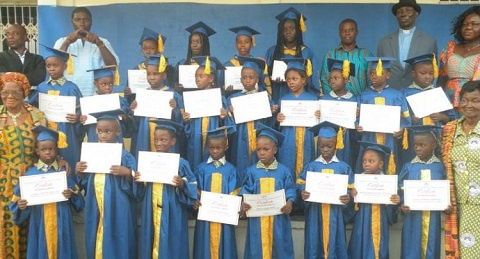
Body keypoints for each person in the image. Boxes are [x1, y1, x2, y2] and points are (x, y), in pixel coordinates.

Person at [9, 125, 84, 259]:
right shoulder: (29, 175)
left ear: (56, 150)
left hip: (61, 220)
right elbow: (17, 204)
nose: (48, 152)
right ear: (37, 151)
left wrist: (70, 195)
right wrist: (21, 206)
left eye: (51, 149)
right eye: (44, 149)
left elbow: (78, 201)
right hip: (39, 220)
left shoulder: (62, 173)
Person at [75, 109, 138, 259]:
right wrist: (80, 171)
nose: (102, 135)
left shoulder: (125, 156)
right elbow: (84, 182)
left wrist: (128, 173)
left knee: (118, 233)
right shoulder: (90, 153)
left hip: (117, 203)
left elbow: (138, 184)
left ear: (117, 132)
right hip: (95, 201)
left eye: (108, 131)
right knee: (95, 232)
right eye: (100, 131)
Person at [134, 120, 197, 259]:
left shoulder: (181, 163)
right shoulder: (148, 161)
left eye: (163, 139)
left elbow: (192, 185)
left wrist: (181, 183)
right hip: (151, 208)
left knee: (172, 240)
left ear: (173, 141)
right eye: (156, 139)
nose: (159, 143)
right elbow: (140, 192)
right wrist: (139, 179)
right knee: (151, 238)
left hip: (172, 209)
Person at [0, 72, 47, 258]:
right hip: (3, 182)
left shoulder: (36, 115)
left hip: (30, 179)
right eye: (4, 92)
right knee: (6, 223)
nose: (9, 97)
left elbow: (47, 145)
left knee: (32, 224)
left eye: (15, 93)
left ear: (24, 93)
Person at [297, 121, 353, 259]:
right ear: (317, 145)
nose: (325, 149)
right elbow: (300, 183)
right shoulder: (311, 166)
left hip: (336, 213)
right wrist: (303, 192)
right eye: (321, 146)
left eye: (329, 146)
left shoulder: (343, 167)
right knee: (314, 240)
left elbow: (351, 189)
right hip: (315, 213)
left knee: (336, 239)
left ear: (336, 145)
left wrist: (348, 197)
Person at [240, 124, 296, 259]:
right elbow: (246, 190)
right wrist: (244, 202)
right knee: (257, 248)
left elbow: (290, 190)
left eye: (266, 149)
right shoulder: (252, 171)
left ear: (275, 149)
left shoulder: (283, 171)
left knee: (279, 247)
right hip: (257, 220)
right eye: (258, 149)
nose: (262, 152)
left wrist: (290, 202)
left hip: (278, 219)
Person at [442, 81, 480, 258]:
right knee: (462, 251)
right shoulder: (450, 129)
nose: (469, 105)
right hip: (459, 205)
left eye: (475, 100)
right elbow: (444, 166)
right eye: (465, 100)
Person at [29, 45, 83, 170]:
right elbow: (31, 106)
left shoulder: (72, 88)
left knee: (69, 159)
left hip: (67, 131)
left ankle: (71, 187)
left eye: (56, 65)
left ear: (65, 66)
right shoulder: (42, 87)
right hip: (47, 130)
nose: (52, 69)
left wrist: (78, 116)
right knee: (48, 159)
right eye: (49, 66)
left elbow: (82, 110)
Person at [398, 125, 447, 259]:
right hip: (412, 217)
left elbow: (446, 191)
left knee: (431, 244)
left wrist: (446, 204)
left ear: (433, 145)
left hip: (433, 216)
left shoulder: (440, 167)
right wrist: (402, 204)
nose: (417, 148)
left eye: (422, 145)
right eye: (415, 145)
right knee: (411, 247)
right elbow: (400, 188)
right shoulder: (408, 167)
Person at [356, 57, 411, 174]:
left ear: (388, 75)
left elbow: (406, 119)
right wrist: (358, 126)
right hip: (369, 138)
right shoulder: (364, 96)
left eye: (378, 73)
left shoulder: (396, 95)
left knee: (389, 164)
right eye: (371, 73)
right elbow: (357, 118)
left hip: (389, 139)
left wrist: (402, 129)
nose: (373, 76)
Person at [348, 142, 401, 259]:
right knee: (360, 243)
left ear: (381, 163)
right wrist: (353, 195)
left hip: (381, 218)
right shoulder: (358, 181)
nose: (366, 164)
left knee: (379, 246)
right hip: (363, 219)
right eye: (364, 161)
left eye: (371, 161)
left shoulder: (387, 182)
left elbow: (392, 208)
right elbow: (351, 208)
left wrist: (395, 200)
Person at [193, 126, 239, 259]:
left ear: (226, 147)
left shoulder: (231, 170)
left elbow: (234, 193)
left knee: (225, 243)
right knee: (204, 244)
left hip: (224, 217)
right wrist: (195, 200)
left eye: (218, 148)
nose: (214, 151)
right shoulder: (201, 168)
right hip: (205, 217)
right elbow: (197, 190)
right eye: (211, 148)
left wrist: (232, 206)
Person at [228, 56, 276, 180]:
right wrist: (230, 113)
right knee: (239, 163)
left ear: (257, 79)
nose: (247, 80)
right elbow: (228, 125)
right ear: (240, 79)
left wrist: (272, 112)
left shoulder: (264, 98)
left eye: (251, 77)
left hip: (258, 138)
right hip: (240, 138)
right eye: (244, 78)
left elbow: (270, 124)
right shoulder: (233, 98)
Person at [402, 53, 456, 162]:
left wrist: (442, 117)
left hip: (436, 137)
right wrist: (410, 120)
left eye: (431, 73)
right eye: (423, 73)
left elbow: (453, 118)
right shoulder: (405, 93)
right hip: (414, 137)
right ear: (413, 73)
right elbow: (398, 116)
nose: (427, 76)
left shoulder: (438, 93)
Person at [54, 7, 119, 97]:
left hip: (95, 95)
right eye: (77, 20)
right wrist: (67, 42)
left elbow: (113, 66)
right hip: (69, 94)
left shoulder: (102, 42)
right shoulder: (62, 41)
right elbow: (54, 64)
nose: (81, 24)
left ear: (91, 22)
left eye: (85, 20)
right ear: (72, 22)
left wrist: (99, 44)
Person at [130, 55, 184, 158]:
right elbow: (136, 123)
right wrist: (133, 111)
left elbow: (180, 124)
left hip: (166, 141)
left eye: (156, 74)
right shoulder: (142, 95)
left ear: (164, 75)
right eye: (148, 74)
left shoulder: (173, 95)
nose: (151, 77)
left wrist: (174, 109)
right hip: (145, 136)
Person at [182, 56, 231, 169]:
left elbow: (227, 125)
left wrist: (223, 117)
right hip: (196, 139)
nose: (197, 79)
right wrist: (186, 120)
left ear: (211, 79)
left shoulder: (220, 98)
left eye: (201, 76)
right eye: (195, 76)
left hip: (213, 140)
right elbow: (187, 130)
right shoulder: (191, 99)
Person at [377, 0, 437, 89]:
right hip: (391, 94)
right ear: (396, 16)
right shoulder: (384, 42)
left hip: (417, 94)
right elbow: (379, 70)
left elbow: (433, 70)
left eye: (408, 11)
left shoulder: (429, 42)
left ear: (416, 13)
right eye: (400, 12)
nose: (403, 14)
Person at [276, 58, 319, 182]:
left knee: (307, 164)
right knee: (287, 164)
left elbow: (317, 128)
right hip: (288, 138)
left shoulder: (313, 100)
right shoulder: (283, 100)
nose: (291, 82)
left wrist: (318, 116)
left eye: (295, 79)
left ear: (304, 80)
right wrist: (278, 119)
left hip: (307, 138)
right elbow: (278, 127)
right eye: (288, 79)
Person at [265, 7, 320, 103]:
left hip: (302, 99)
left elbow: (313, 80)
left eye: (292, 28)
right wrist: (272, 79)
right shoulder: (272, 52)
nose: (288, 31)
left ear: (298, 30)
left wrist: (304, 80)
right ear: (280, 32)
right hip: (278, 95)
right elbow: (264, 77)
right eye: (284, 29)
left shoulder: (307, 52)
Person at [438, 6, 480, 110]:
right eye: (465, 24)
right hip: (449, 104)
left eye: (475, 24)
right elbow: (441, 80)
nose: (468, 27)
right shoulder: (449, 50)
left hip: (474, 104)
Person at [80, 66, 133, 143]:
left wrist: (125, 118)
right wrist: (82, 120)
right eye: (104, 84)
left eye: (111, 84)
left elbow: (127, 126)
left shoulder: (120, 101)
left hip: (115, 139)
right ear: (95, 84)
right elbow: (83, 128)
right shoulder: (89, 103)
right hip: (94, 138)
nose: (108, 87)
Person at [320, 19, 373, 96]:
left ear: (356, 32)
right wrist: (333, 99)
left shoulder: (366, 54)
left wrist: (364, 100)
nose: (347, 33)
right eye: (343, 31)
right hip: (336, 104)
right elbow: (325, 80)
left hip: (360, 102)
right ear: (339, 33)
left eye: (351, 30)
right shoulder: (330, 55)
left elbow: (371, 80)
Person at [322, 58, 359, 167]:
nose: (332, 81)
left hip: (347, 141)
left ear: (346, 79)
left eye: (336, 78)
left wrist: (357, 117)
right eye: (331, 78)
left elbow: (358, 125)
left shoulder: (354, 100)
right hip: (327, 141)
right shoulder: (324, 100)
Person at [123, 27, 168, 102]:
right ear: (141, 51)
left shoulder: (165, 69)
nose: (148, 51)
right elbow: (128, 100)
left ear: (158, 49)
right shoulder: (135, 71)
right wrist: (128, 93)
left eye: (152, 48)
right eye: (145, 48)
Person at [223, 26, 271, 97]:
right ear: (235, 45)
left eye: (246, 42)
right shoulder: (227, 66)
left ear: (252, 44)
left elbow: (265, 88)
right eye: (239, 42)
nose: (242, 45)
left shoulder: (258, 64)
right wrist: (225, 91)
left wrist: (256, 88)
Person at [0, 24, 46, 90]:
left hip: (33, 98)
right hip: (9, 97)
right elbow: (3, 80)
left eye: (15, 33)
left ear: (25, 37)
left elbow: (38, 79)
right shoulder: (1, 57)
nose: (10, 37)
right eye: (7, 34)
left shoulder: (37, 59)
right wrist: (27, 78)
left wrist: (11, 75)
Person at [175, 22, 215, 89]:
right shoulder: (181, 64)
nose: (194, 45)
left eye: (198, 42)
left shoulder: (212, 65)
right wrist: (177, 87)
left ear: (205, 44)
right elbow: (174, 83)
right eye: (192, 42)